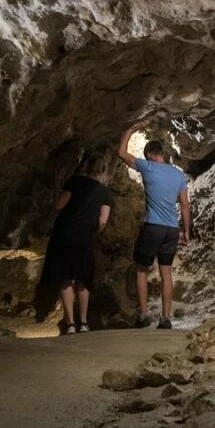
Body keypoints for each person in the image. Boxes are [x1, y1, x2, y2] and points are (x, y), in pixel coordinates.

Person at [117, 124, 190, 329]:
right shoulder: (178, 175)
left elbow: (121, 153)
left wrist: (130, 129)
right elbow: (184, 204)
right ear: (163, 154)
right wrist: (186, 230)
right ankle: (166, 318)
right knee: (166, 273)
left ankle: (144, 315)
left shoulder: (147, 167)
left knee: (141, 270)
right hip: (171, 229)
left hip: (153, 227)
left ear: (149, 154)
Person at [43, 154, 113, 335]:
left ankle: (70, 324)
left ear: (86, 167)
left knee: (66, 278)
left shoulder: (75, 182)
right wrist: (93, 231)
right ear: (103, 171)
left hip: (64, 233)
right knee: (83, 279)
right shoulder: (104, 192)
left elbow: (59, 205)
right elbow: (103, 220)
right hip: (85, 237)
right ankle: (83, 322)